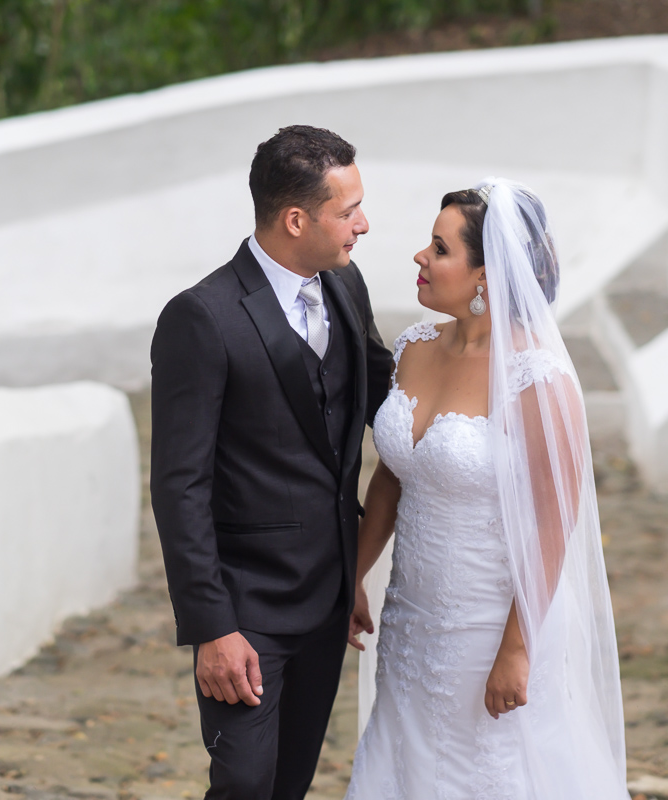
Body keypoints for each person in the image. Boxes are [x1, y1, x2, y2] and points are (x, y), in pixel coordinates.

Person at [344, 179, 632, 798]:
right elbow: (394, 475)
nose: (421, 257)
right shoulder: (414, 348)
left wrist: (517, 649)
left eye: (439, 248)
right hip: (410, 616)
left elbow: (555, 524)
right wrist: (354, 576)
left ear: (484, 277)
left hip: (491, 620)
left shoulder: (537, 377)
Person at [149, 125, 394, 800]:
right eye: (348, 211)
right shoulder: (201, 318)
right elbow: (180, 486)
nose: (363, 225)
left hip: (330, 602)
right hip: (245, 611)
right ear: (296, 219)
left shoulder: (346, 289)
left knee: (287, 786)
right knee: (245, 787)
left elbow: (389, 400)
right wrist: (212, 628)